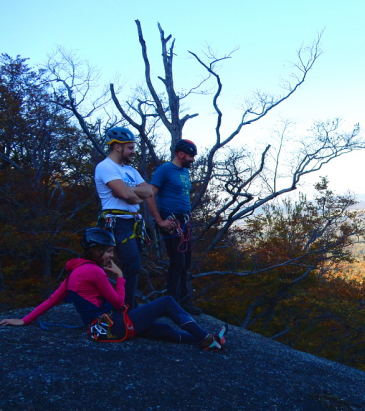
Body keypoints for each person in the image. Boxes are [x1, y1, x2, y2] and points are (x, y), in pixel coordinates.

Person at [0, 228, 226, 350]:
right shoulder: (94, 271)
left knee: (158, 330)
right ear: (95, 251)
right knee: (166, 302)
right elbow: (119, 304)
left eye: (111, 251)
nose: (110, 256)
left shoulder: (74, 272)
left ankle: (208, 341)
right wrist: (119, 277)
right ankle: (206, 338)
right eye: (107, 251)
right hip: (112, 325)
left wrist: (24, 320)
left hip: (99, 329)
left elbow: (51, 301)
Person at [94, 127, 152, 309]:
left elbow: (148, 192)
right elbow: (127, 196)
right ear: (117, 147)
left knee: (133, 266)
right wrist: (131, 194)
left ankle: (127, 304)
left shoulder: (130, 170)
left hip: (132, 222)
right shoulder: (105, 167)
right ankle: (127, 308)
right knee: (131, 264)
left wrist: (130, 191)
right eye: (130, 148)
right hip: (116, 222)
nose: (134, 152)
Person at [147, 139, 201, 315]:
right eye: (191, 156)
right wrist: (159, 221)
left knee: (185, 262)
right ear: (180, 154)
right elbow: (149, 195)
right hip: (170, 221)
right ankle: (172, 303)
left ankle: (184, 300)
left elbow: (180, 195)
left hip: (184, 221)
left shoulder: (184, 172)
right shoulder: (164, 170)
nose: (193, 159)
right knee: (177, 262)